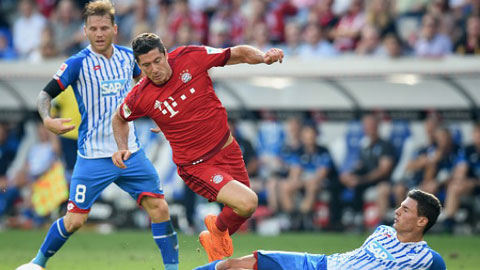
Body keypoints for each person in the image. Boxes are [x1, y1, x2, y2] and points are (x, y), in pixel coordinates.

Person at [17, 1, 178, 270]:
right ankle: (37, 263)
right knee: (75, 221)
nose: (99, 33)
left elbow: (153, 86)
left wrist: (164, 114)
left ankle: (172, 269)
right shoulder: (77, 63)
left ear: (115, 29)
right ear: (85, 31)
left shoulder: (130, 58)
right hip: (92, 156)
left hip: (130, 152)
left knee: (160, 208)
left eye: (104, 27)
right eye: (93, 28)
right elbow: (45, 94)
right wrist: (47, 119)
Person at [111, 33, 284, 262]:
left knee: (244, 210)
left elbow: (237, 53)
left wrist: (263, 57)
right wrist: (123, 146)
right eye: (145, 65)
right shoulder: (140, 96)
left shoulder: (190, 57)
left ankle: (215, 233)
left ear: (165, 54)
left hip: (228, 149)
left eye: (157, 61)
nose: (153, 69)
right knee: (248, 201)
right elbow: (119, 118)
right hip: (196, 165)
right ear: (139, 65)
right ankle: (216, 235)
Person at [194, 189, 446, 270]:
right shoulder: (382, 231)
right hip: (318, 263)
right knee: (230, 266)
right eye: (400, 207)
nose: (397, 212)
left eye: (405, 210)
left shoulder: (427, 259)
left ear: (422, 222)